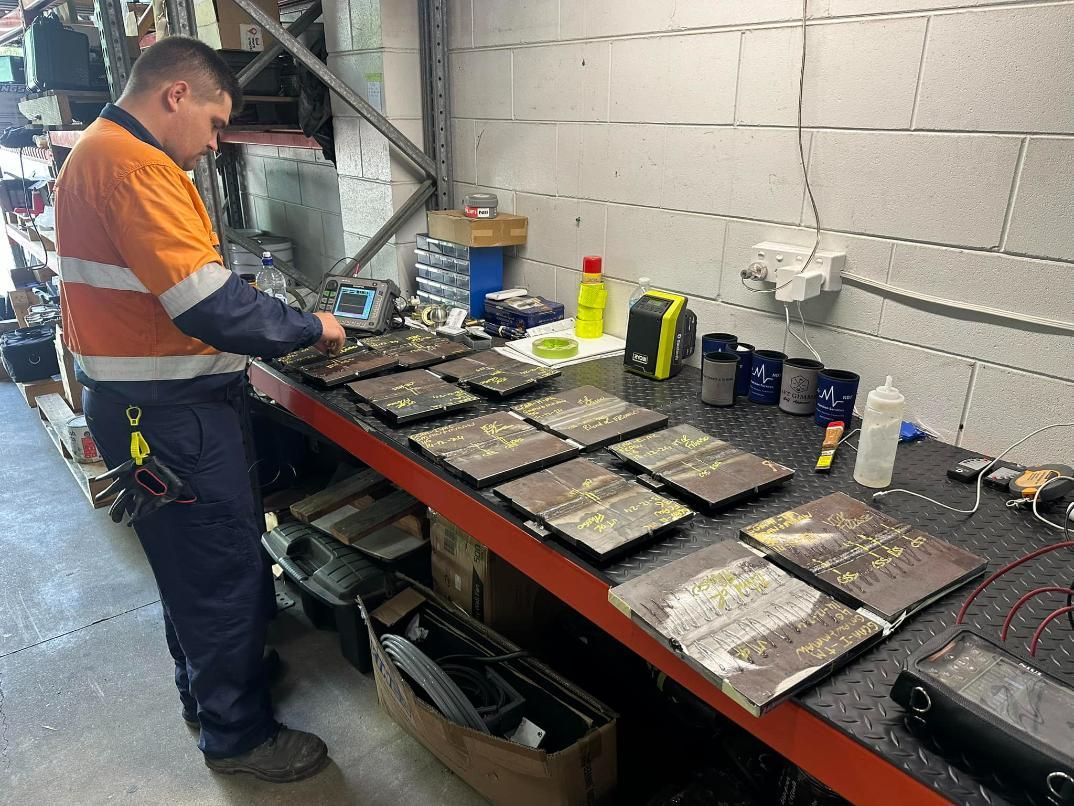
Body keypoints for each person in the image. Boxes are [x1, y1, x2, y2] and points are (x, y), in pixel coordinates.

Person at [54, 36, 346, 782]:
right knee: (220, 572)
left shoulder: (98, 151)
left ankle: (210, 689)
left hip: (149, 405)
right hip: (168, 415)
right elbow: (209, 304)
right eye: (216, 123)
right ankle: (238, 736)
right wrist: (310, 326)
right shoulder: (137, 167)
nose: (216, 143)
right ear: (176, 94)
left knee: (192, 567)